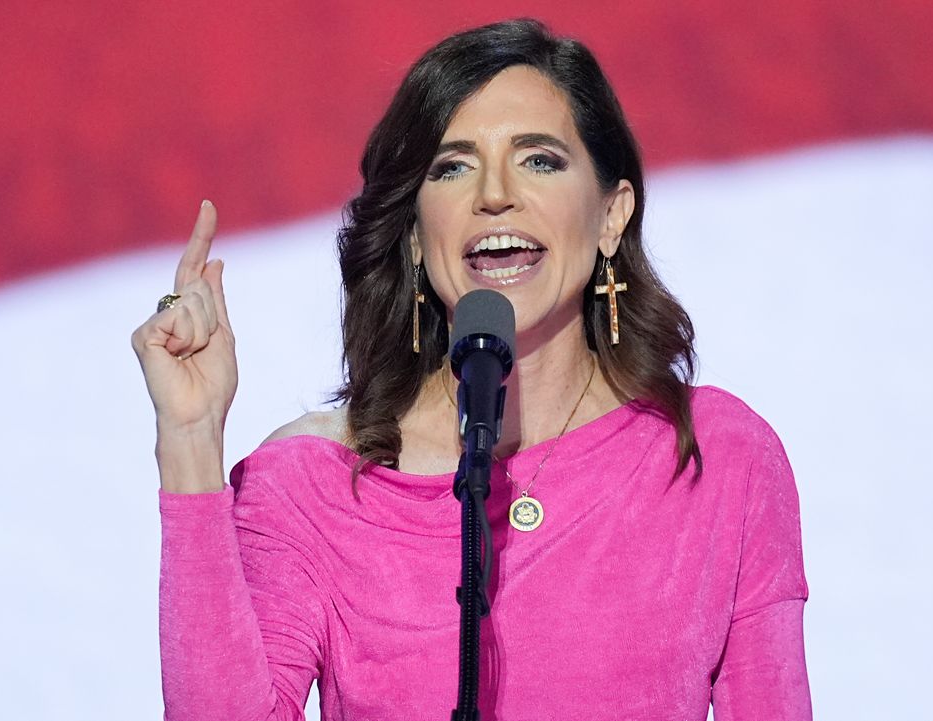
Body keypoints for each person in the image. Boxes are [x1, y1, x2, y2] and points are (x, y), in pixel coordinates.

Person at [131, 18, 810, 721]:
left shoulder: (714, 457)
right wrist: (190, 440)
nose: (494, 195)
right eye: (452, 166)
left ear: (612, 214)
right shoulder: (309, 483)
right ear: (418, 237)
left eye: (539, 159)